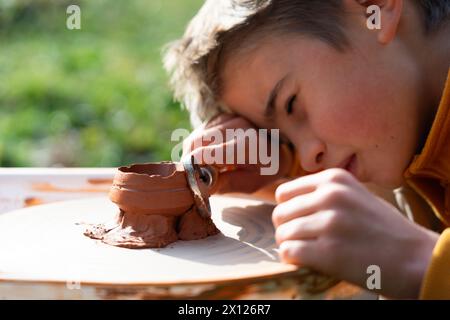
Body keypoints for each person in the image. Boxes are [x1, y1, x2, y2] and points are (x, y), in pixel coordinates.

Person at [164, 0, 450, 299]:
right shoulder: (406, 137)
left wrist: (420, 261)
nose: (307, 159)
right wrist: (281, 165)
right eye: (285, 140)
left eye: (291, 104)